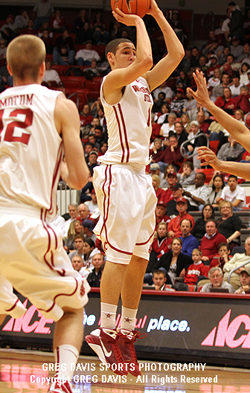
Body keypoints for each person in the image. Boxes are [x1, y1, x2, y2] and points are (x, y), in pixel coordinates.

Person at [85, 1, 184, 376]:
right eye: (122, 50)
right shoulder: (112, 82)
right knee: (119, 254)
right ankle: (104, 329)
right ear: (111, 59)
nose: (133, 52)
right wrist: (138, 21)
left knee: (140, 257)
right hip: (118, 173)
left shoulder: (143, 84)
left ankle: (125, 330)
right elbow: (144, 58)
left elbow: (175, 54)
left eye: (132, 46)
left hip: (142, 177)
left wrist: (156, 13)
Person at [0, 35, 90, 393]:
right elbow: (80, 177)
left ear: (8, 70)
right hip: (27, 221)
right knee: (73, 307)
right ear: (44, 67)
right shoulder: (60, 104)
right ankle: (62, 385)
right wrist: (62, 168)